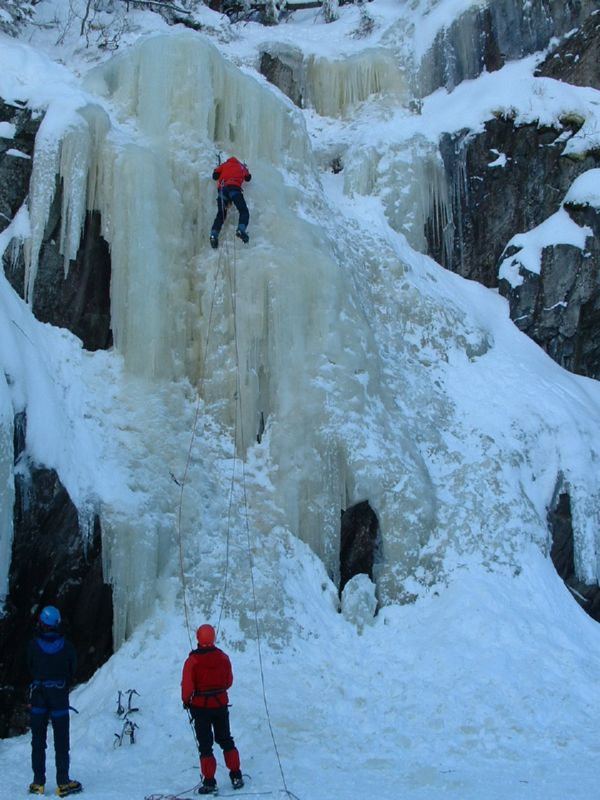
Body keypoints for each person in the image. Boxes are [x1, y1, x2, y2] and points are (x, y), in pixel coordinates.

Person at [181, 624, 244, 794]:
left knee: (205, 745)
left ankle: (209, 781)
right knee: (225, 739)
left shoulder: (192, 660)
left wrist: (186, 700)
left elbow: (187, 686)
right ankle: (236, 775)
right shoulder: (223, 657)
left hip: (200, 707)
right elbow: (228, 682)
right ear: (213, 638)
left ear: (198, 638)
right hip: (220, 705)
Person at [27, 605, 82, 797]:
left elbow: (28, 666)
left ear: (42, 623)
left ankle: (38, 783)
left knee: (38, 741)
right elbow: (72, 668)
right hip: (58, 694)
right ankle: (63, 782)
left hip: (39, 695)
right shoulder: (66, 646)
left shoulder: (33, 645)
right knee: (61, 740)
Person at [209, 157, 252, 249]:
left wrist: (220, 171)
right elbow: (248, 178)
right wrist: (245, 170)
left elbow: (215, 176)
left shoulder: (224, 165)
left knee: (221, 215)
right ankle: (241, 229)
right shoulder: (241, 166)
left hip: (222, 190)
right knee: (243, 210)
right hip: (234, 189)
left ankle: (213, 235)